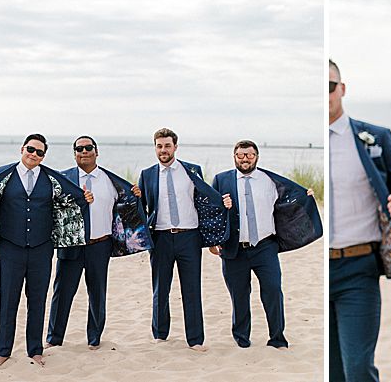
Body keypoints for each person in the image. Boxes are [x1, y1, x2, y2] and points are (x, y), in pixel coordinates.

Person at [0, 133, 91, 366]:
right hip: (10, 248)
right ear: (22, 149)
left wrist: (86, 197)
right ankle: (3, 350)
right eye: (30, 150)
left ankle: (35, 349)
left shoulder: (51, 179)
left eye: (39, 152)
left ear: (44, 156)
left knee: (37, 299)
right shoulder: (2, 174)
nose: (34, 155)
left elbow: (70, 201)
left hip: (41, 249)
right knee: (8, 299)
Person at [328, 59, 391, 382]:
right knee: (333, 372)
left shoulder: (373, 137)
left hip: (358, 268)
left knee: (359, 369)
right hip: (321, 269)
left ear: (342, 89)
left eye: (329, 87)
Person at [210, 139, 322, 349]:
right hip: (234, 249)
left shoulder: (269, 180)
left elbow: (290, 198)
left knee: (272, 291)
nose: (245, 159)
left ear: (257, 157)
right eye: (241, 155)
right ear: (234, 157)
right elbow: (212, 212)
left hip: (265, 246)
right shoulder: (221, 179)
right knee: (239, 296)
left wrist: (305, 196)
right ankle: (242, 339)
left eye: (249, 155)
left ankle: (277, 338)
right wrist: (212, 242)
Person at [46, 135, 151, 350]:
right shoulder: (62, 179)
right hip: (71, 245)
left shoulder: (110, 180)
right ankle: (54, 339)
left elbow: (127, 205)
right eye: (79, 148)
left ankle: (94, 339)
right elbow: (50, 208)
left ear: (96, 151)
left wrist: (136, 195)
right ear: (74, 153)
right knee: (62, 292)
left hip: (100, 245)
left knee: (97, 292)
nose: (84, 152)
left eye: (88, 148)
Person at [138, 128, 231, 352]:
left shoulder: (192, 170)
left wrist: (224, 202)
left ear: (175, 147)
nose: (163, 150)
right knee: (160, 289)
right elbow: (140, 209)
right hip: (160, 237)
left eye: (167, 145)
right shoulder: (147, 174)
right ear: (155, 148)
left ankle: (195, 340)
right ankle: (160, 334)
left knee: (191, 289)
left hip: (189, 237)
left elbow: (207, 200)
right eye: (159, 146)